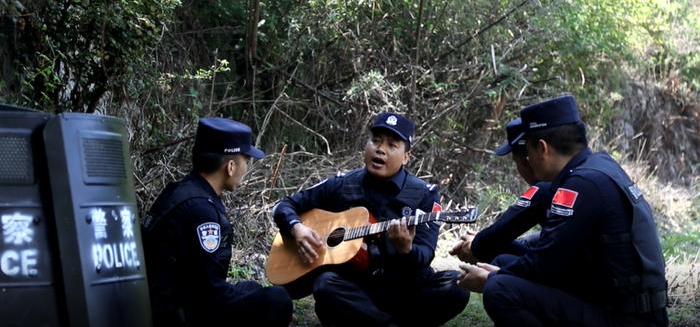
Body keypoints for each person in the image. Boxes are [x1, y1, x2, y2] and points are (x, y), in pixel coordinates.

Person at [458, 95, 668, 327]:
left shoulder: (582, 185)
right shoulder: (598, 167)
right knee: (505, 265)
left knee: (499, 289)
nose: (527, 160)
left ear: (542, 148)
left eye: (527, 150)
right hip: (623, 306)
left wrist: (491, 278)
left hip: (627, 318)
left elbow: (544, 264)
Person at [272, 112, 469, 327]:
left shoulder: (422, 194)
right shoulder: (344, 183)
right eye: (375, 141)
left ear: (406, 157)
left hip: (404, 289)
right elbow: (284, 206)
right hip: (356, 291)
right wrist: (297, 228)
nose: (380, 149)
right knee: (325, 284)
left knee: (457, 285)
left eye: (392, 145)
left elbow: (425, 254)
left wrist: (406, 250)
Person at [141, 117, 293, 326]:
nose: (246, 168)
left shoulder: (182, 190)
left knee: (252, 288)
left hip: (169, 298)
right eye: (246, 161)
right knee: (278, 299)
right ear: (230, 166)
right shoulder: (201, 210)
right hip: (176, 312)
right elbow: (207, 295)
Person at [449, 117, 554, 265]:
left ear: (527, 159)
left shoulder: (546, 187)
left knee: (499, 262)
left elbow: (500, 232)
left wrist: (476, 244)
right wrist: (481, 241)